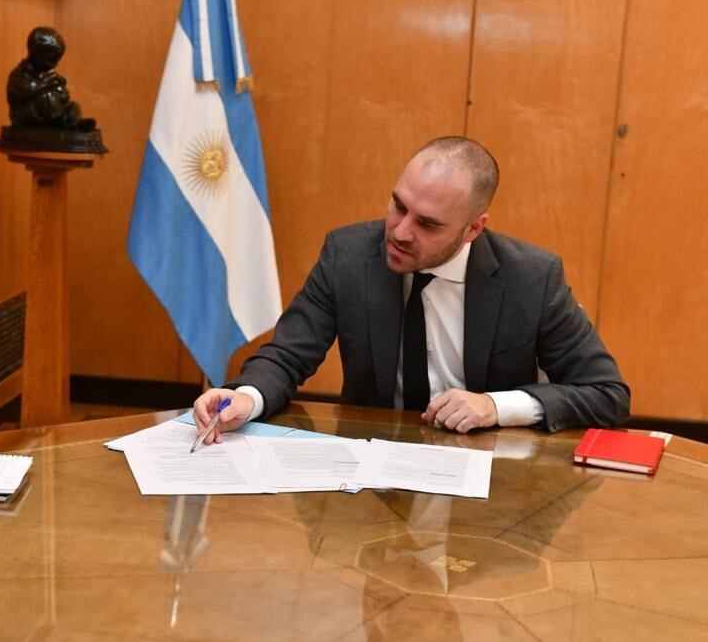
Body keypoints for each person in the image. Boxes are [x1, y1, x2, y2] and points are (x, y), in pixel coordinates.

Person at [194, 136, 629, 440]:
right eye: (398, 206)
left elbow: (606, 394)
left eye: (427, 224)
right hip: (370, 464)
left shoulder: (531, 279)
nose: (400, 232)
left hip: (488, 479)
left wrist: (497, 406)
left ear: (473, 228)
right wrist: (244, 398)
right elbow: (287, 356)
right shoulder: (347, 255)